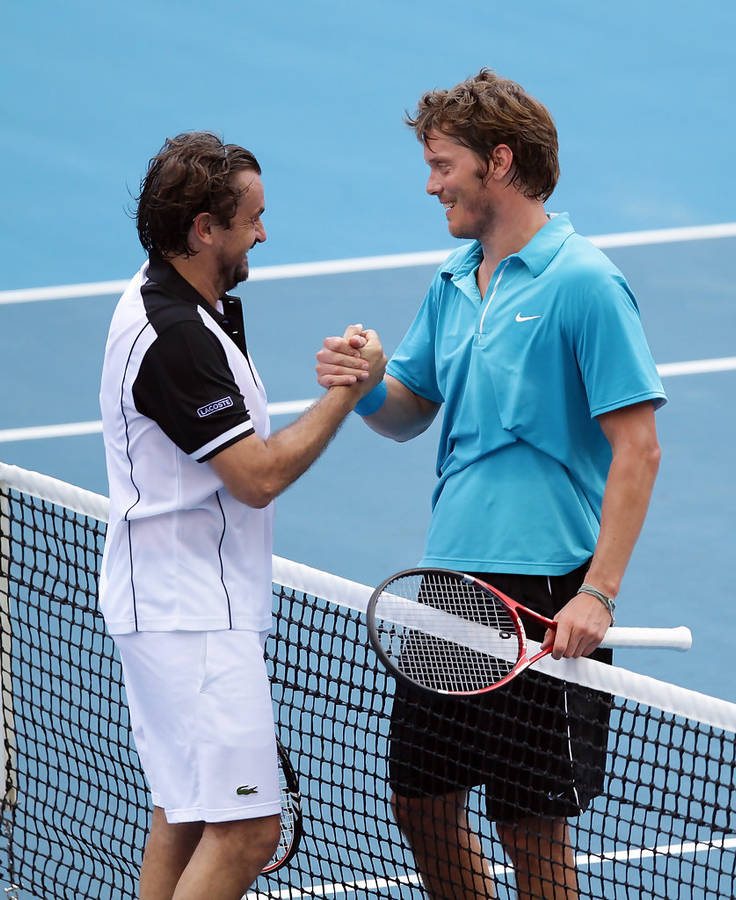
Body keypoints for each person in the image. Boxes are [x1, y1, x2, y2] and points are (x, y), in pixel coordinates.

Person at [316, 69, 666, 900]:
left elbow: (639, 450)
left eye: (443, 163)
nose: (432, 182)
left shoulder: (585, 283)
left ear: (498, 162)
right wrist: (363, 381)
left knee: (529, 824)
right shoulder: (453, 279)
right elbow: (408, 412)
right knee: (421, 800)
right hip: (449, 582)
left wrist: (600, 595)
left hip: (545, 590)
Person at [98, 131, 385, 900]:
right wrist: (345, 394)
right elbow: (256, 477)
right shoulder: (177, 337)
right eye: (252, 217)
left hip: (175, 603)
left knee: (184, 815)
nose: (264, 231)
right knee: (248, 833)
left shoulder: (183, 301)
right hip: (190, 616)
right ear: (204, 228)